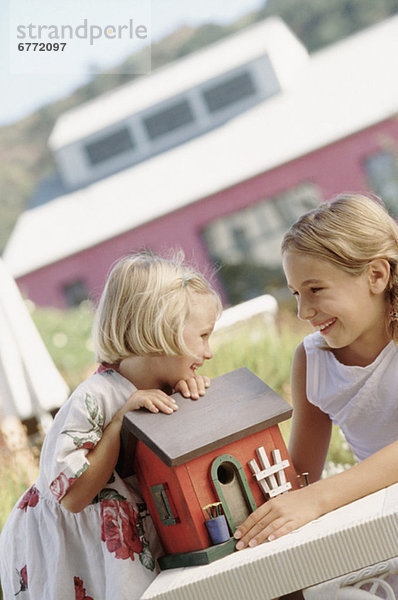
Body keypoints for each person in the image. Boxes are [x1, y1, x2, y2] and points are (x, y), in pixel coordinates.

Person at [0, 251, 221, 600]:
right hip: (66, 551)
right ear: (160, 333)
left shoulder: (163, 390)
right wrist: (120, 424)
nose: (209, 352)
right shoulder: (96, 397)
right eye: (203, 336)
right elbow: (71, 497)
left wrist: (190, 403)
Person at [234, 193, 398, 563]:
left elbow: (311, 495)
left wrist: (316, 499)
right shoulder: (313, 360)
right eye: (295, 293)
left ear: (375, 275)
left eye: (315, 290)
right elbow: (300, 478)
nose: (303, 311)